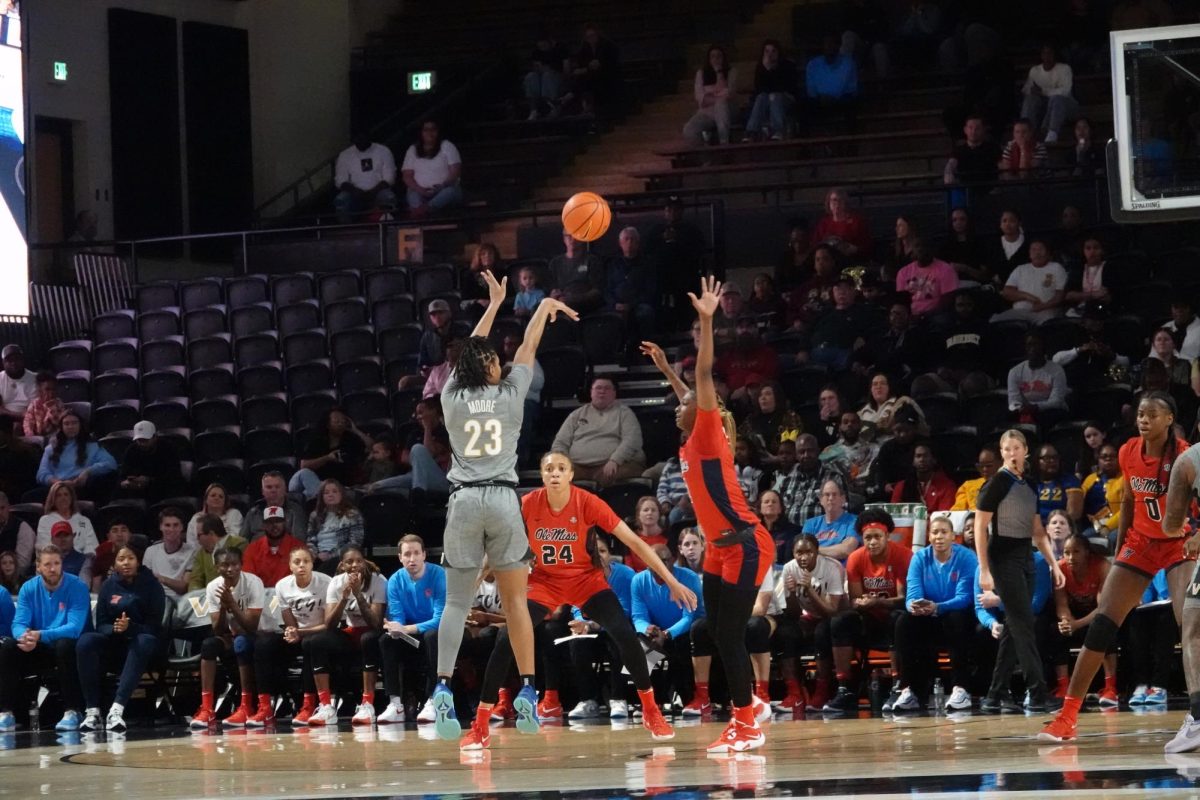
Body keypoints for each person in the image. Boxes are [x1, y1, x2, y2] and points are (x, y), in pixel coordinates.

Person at [459, 453, 694, 750]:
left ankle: (650, 709)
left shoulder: (587, 502)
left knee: (624, 633)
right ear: (542, 476)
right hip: (544, 582)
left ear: (571, 474)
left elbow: (634, 542)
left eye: (561, 468)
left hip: (586, 580)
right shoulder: (528, 504)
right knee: (506, 638)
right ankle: (480, 724)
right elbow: (497, 544)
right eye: (548, 469)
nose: (554, 473)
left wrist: (671, 581)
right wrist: (476, 579)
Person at [432, 270, 577, 741]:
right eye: (495, 359)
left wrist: (493, 306)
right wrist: (539, 311)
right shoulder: (511, 394)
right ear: (491, 367)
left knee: (456, 602)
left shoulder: (451, 396)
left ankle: (442, 688)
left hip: (463, 499)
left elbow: (470, 352)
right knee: (517, 601)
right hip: (501, 498)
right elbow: (527, 350)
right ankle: (530, 690)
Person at [641, 276, 775, 752]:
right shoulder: (691, 432)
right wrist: (662, 367)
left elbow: (701, 379)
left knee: (732, 637)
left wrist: (705, 319)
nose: (678, 404)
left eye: (684, 402)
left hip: (746, 543)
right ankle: (750, 707)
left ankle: (748, 722)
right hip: (720, 550)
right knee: (716, 631)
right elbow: (688, 390)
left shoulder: (707, 433)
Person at [1042, 392, 1193, 743]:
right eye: (1140, 414)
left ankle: (1196, 713)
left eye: (1152, 415)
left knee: (1189, 624)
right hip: (1140, 542)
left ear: (1169, 419)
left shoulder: (1186, 456)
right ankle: (1067, 716)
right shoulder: (1128, 451)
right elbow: (1128, 499)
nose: (1143, 420)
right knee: (1102, 624)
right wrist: (1122, 544)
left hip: (1177, 544)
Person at [824, 510, 912, 713]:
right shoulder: (856, 558)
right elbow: (856, 599)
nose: (872, 542)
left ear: (887, 536)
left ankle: (898, 685)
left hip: (895, 618)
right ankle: (844, 688)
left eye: (877, 537)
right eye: (868, 538)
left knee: (897, 618)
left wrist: (876, 602)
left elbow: (904, 599)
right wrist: (861, 603)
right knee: (840, 621)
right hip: (869, 620)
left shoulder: (903, 555)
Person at [891, 515, 978, 713]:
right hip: (928, 616)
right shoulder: (920, 558)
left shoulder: (967, 558)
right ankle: (908, 690)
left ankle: (960, 689)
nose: (939, 536)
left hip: (956, 616)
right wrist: (915, 606)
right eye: (935, 532)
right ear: (929, 536)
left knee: (957, 618)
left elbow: (964, 597)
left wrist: (937, 607)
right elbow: (912, 594)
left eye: (944, 532)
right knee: (904, 621)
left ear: (953, 537)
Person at [77, 542, 165, 732]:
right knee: (86, 641)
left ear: (138, 561)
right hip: (115, 646)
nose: (126, 563)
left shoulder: (152, 586)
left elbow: (154, 627)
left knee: (144, 640)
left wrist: (130, 628)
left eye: (131, 558)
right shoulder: (109, 586)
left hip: (144, 648)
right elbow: (100, 625)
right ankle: (92, 711)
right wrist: (116, 629)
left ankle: (116, 710)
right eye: (121, 559)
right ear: (115, 564)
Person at [0, 545, 90, 731]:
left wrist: (40, 635)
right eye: (47, 564)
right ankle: (6, 713)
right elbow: (18, 623)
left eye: (56, 563)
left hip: (69, 646)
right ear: (38, 567)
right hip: (38, 645)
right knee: (9, 646)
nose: (52, 568)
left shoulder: (77, 586)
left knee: (64, 645)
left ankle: (72, 711)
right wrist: (24, 637)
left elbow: (74, 628)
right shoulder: (28, 588)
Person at [306, 545, 386, 727]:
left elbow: (376, 623)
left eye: (359, 561)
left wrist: (358, 594)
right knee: (317, 641)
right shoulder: (336, 582)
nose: (355, 565)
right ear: (342, 565)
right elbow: (329, 624)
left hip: (373, 633)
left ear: (364, 562)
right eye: (349, 562)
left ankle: (367, 704)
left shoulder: (378, 580)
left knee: (369, 639)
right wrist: (344, 598)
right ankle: (326, 706)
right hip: (351, 632)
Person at [187, 547, 266, 728]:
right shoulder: (213, 587)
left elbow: (252, 627)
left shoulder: (253, 583)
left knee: (241, 642)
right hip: (231, 635)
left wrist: (232, 604)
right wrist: (223, 607)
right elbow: (218, 629)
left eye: (234, 564)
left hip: (258, 636)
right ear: (217, 567)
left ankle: (245, 706)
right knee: (208, 645)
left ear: (241, 565)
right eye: (225, 565)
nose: (230, 569)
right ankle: (207, 708)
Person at [257, 546, 330, 727]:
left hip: (320, 633)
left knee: (310, 645)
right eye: (297, 562)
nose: (301, 566)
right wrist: (292, 632)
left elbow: (329, 624)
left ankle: (308, 705)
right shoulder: (282, 585)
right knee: (264, 645)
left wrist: (301, 634)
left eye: (306, 561)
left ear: (313, 564)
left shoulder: (326, 583)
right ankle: (265, 706)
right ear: (290, 566)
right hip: (299, 632)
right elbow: (289, 620)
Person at [378, 534, 444, 726]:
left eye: (416, 553)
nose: (412, 558)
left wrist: (406, 628)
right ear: (400, 557)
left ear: (424, 555)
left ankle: (433, 699)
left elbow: (439, 619)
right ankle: (395, 703)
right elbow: (398, 617)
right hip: (411, 635)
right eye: (407, 554)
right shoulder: (395, 580)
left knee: (433, 636)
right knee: (386, 640)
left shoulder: (438, 574)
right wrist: (395, 627)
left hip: (433, 631)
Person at [776, 533, 845, 711]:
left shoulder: (831, 568)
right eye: (799, 552)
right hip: (807, 617)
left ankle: (822, 690)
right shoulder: (789, 569)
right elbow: (794, 613)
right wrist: (791, 594)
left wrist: (810, 591)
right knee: (786, 633)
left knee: (822, 631)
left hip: (834, 618)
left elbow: (831, 611)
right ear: (793, 553)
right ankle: (795, 693)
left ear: (817, 552)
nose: (804, 557)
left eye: (809, 552)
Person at [1048, 532, 1115, 704]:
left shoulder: (1102, 566)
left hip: (1096, 616)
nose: (1070, 557)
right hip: (1075, 616)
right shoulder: (1060, 568)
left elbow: (1103, 607)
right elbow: (1061, 603)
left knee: (1105, 629)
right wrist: (1066, 621)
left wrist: (1077, 625)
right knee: (1055, 631)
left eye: (1076, 552)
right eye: (1067, 552)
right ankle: (1063, 686)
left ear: (1087, 552)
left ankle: (1110, 687)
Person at [550, 375, 645, 486]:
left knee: (620, 474)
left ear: (614, 393)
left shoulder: (625, 413)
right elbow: (560, 443)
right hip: (578, 466)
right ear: (591, 392)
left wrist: (615, 460)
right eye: (598, 388)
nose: (602, 391)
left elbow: (633, 440)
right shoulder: (576, 414)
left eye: (607, 388)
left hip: (613, 465)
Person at [34, 410, 117, 502]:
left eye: (74, 423)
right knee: (30, 497)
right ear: (61, 427)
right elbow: (41, 473)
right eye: (66, 424)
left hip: (81, 487)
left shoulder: (92, 445)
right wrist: (58, 483)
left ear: (80, 425)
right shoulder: (51, 449)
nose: (70, 427)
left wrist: (87, 472)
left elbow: (110, 463)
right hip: (57, 488)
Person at [289, 408, 371, 500]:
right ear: (328, 424)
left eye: (343, 421)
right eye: (337, 421)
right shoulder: (317, 441)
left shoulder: (351, 440)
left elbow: (373, 447)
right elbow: (304, 465)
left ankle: (322, 499)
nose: (340, 423)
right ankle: (320, 497)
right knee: (303, 474)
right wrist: (327, 458)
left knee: (306, 494)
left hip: (341, 487)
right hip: (318, 483)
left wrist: (355, 430)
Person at [1127, 570, 1174, 708]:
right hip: (1147, 608)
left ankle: (1159, 686)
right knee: (1136, 616)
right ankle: (1141, 685)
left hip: (1172, 608)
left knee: (1166, 619)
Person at [992, 240, 1067, 324]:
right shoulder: (1020, 269)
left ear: (1048, 252)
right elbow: (1007, 292)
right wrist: (1028, 297)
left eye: (1041, 249)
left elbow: (1060, 296)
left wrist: (1041, 307)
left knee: (1047, 326)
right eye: (1034, 249)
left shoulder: (1056, 268)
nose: (1037, 253)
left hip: (1046, 312)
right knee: (995, 320)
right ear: (1029, 254)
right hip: (1020, 312)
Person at [1007, 332, 1070, 428]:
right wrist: (1020, 409)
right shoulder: (1015, 371)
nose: (1032, 348)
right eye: (1029, 345)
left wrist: (1035, 407)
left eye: (1036, 344)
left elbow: (1056, 401)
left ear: (1043, 347)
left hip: (1049, 411)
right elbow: (1013, 401)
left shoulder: (1057, 370)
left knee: (1049, 417)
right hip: (1025, 410)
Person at [605, 226, 657, 342]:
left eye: (632, 239)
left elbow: (650, 290)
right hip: (616, 305)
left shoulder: (647, 264)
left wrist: (631, 305)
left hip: (638, 304)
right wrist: (615, 304)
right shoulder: (613, 265)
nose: (629, 242)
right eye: (626, 239)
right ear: (620, 243)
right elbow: (607, 290)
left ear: (638, 243)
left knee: (645, 313)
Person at [1019, 42, 1078, 142]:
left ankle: (1052, 133)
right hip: (1043, 108)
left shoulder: (1064, 69)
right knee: (1030, 99)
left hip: (1065, 106)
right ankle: (1025, 131)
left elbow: (1065, 91)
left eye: (1050, 53)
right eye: (1044, 53)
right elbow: (1026, 89)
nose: (1047, 56)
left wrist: (1043, 91)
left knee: (1057, 99)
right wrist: (1033, 91)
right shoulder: (1035, 70)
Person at [401, 120, 462, 214]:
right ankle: (421, 213)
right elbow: (407, 176)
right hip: (420, 191)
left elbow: (455, 172)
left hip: (443, 189)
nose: (430, 133)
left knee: (450, 192)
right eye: (426, 130)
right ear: (421, 132)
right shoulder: (412, 149)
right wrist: (420, 190)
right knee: (412, 194)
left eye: (433, 129)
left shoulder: (447, 146)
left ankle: (425, 210)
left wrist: (442, 186)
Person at [333, 133, 397, 222]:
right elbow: (340, 180)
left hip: (378, 191)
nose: (360, 141)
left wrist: (372, 192)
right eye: (357, 139)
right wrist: (356, 191)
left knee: (388, 197)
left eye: (363, 138)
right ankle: (346, 230)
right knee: (341, 199)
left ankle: (387, 228)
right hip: (354, 193)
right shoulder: (345, 155)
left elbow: (389, 178)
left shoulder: (383, 151)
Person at [117, 420, 185, 503]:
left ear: (155, 437)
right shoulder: (131, 450)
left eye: (145, 440)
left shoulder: (168, 448)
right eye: (139, 440)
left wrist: (149, 480)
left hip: (164, 490)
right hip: (138, 491)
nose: (142, 444)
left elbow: (174, 476)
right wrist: (125, 483)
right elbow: (123, 474)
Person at [306, 479, 364, 575]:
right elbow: (310, 540)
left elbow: (355, 543)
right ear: (322, 496)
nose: (330, 495)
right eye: (326, 493)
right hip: (318, 557)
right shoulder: (315, 516)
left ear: (341, 494)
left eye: (334, 491)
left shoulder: (352, 515)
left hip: (341, 557)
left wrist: (330, 556)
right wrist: (314, 554)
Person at [745, 39, 797, 141]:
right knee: (761, 97)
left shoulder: (787, 66)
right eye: (767, 51)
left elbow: (786, 87)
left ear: (778, 52)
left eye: (773, 51)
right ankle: (751, 131)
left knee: (775, 96)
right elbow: (759, 88)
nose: (770, 54)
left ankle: (778, 130)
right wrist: (767, 70)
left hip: (786, 98)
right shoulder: (761, 67)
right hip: (766, 99)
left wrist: (771, 72)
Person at [683, 45, 736, 146]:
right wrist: (719, 96)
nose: (716, 59)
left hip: (727, 109)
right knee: (688, 129)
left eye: (719, 56)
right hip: (706, 112)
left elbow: (729, 94)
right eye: (713, 57)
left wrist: (719, 73)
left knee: (721, 105)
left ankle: (724, 143)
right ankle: (704, 156)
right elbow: (700, 98)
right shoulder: (701, 73)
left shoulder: (731, 72)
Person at [243, 506, 306, 589]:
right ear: (263, 525)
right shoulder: (252, 549)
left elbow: (303, 579)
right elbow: (248, 580)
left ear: (285, 522)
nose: (274, 525)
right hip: (260, 596)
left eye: (278, 521)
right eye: (270, 522)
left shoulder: (299, 548)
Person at [142, 507, 196, 600]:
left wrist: (162, 579)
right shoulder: (150, 551)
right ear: (160, 527)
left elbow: (184, 588)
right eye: (167, 525)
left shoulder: (192, 552)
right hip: (156, 599)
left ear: (182, 527)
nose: (171, 529)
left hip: (181, 601)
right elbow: (145, 584)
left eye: (175, 525)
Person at [895, 241, 958, 320]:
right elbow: (901, 300)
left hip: (935, 314)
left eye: (925, 246)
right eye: (917, 246)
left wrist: (924, 316)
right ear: (913, 250)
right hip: (910, 315)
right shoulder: (903, 272)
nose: (921, 249)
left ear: (932, 250)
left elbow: (948, 300)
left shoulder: (946, 269)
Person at [805, 32, 858, 125]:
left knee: (851, 103)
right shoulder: (813, 64)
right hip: (819, 100)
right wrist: (821, 97)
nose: (829, 46)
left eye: (832, 43)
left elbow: (851, 87)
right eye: (826, 43)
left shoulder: (848, 63)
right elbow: (811, 88)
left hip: (842, 100)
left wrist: (834, 97)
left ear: (838, 46)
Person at [548, 229, 605, 315]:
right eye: (569, 236)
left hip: (585, 304)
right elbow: (551, 289)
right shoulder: (555, 263)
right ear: (564, 239)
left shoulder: (592, 261)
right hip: (560, 304)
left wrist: (574, 299)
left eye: (576, 235)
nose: (573, 239)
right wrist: (554, 296)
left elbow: (597, 291)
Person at [801, 480, 859, 562]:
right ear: (821, 500)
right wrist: (838, 547)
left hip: (841, 571)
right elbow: (803, 550)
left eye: (834, 494)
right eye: (827, 495)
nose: (831, 498)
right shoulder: (810, 524)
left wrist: (814, 549)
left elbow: (846, 549)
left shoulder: (854, 521)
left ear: (843, 499)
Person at [36, 480, 99, 555]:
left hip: (83, 563)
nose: (63, 498)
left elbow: (92, 547)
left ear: (71, 498)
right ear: (53, 499)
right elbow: (45, 548)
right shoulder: (45, 520)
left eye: (66, 494)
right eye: (59, 495)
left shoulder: (84, 521)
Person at [857, 372, 924, 443]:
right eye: (875, 384)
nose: (878, 386)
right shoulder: (862, 412)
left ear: (889, 387)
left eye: (882, 383)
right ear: (871, 390)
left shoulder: (902, 402)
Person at [891, 442, 957, 512]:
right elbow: (894, 513)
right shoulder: (901, 486)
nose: (922, 460)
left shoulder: (947, 486)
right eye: (918, 456)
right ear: (912, 461)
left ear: (934, 460)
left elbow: (944, 516)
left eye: (926, 456)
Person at [188, 514, 247, 592]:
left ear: (211, 534)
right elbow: (195, 579)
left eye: (199, 535)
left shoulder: (239, 544)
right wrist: (196, 594)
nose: (197, 539)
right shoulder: (201, 554)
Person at [243, 471, 307, 542]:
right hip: (255, 551)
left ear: (285, 490)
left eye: (277, 487)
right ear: (262, 491)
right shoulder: (253, 513)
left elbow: (299, 541)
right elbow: (241, 541)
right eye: (269, 487)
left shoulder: (295, 511)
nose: (273, 490)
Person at [812, 187, 871, 260]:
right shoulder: (823, 223)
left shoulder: (856, 221)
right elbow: (816, 245)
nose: (836, 203)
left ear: (845, 202)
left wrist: (853, 249)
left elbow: (866, 246)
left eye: (840, 200)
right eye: (834, 200)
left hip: (851, 259)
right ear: (828, 203)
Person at [943, 115, 1001, 188]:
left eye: (977, 128)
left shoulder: (993, 148)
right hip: (965, 189)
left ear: (983, 130)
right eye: (970, 128)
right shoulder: (958, 150)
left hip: (989, 189)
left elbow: (1002, 167)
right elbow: (951, 165)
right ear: (965, 130)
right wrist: (948, 176)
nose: (973, 131)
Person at [1035, 445, 1083, 524]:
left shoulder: (1070, 481)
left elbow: (1074, 514)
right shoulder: (1030, 482)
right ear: (1037, 461)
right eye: (1047, 458)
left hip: (1058, 529)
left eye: (1055, 457)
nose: (1052, 461)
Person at [624, 497, 669, 572]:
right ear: (638, 515)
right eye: (646, 510)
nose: (649, 513)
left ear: (659, 515)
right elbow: (629, 569)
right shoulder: (630, 538)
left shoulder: (668, 537)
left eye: (653, 510)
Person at [0, 344, 36, 433]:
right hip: (4, 420)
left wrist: (7, 413)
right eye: (9, 360)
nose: (13, 363)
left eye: (17, 359)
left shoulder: (35, 379)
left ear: (23, 360)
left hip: (28, 420)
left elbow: (36, 410)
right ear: (3, 363)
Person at [759, 489, 801, 565]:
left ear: (780, 509)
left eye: (774, 502)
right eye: (766, 502)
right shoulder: (754, 532)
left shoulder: (793, 531)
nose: (770, 504)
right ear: (760, 508)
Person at [953, 446, 1000, 511]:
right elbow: (957, 512)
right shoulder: (968, 486)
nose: (984, 469)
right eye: (981, 466)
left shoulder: (1013, 485)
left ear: (1001, 463)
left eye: (989, 465)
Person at [21, 371, 64, 438]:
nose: (51, 392)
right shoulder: (34, 404)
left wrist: (50, 406)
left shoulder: (59, 403)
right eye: (47, 389)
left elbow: (56, 422)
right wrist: (30, 436)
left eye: (54, 389)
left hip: (53, 436)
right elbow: (28, 422)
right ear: (39, 390)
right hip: (37, 436)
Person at [50, 520, 92, 585]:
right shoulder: (45, 561)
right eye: (58, 536)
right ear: (52, 540)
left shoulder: (84, 560)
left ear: (73, 536)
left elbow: (83, 585)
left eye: (66, 535)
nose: (62, 539)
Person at [0, 492, 31, 576]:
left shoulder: (22, 527)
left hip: (14, 579)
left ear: (8, 507)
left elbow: (23, 563)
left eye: (2, 508)